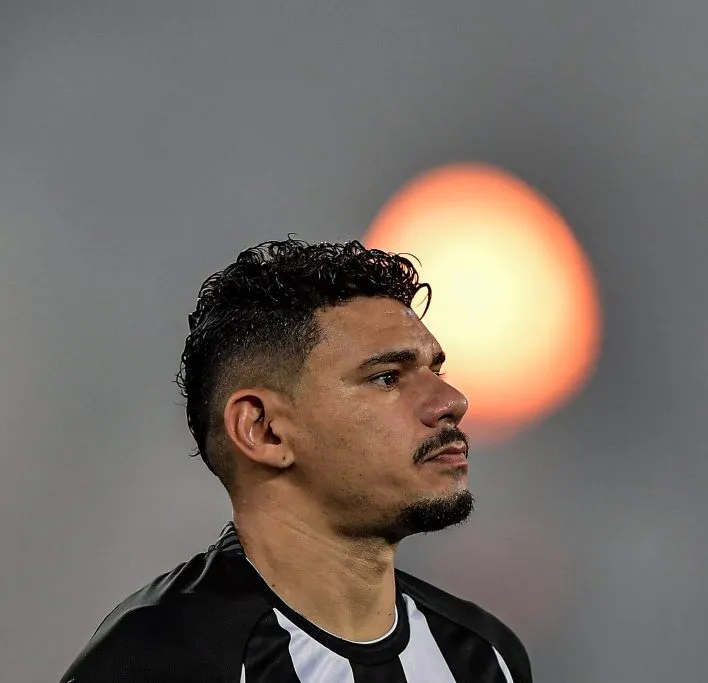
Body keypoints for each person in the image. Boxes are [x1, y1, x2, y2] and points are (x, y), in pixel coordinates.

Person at [60, 239, 532, 682]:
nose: (452, 401)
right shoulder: (162, 661)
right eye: (387, 377)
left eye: (436, 370)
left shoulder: (483, 657)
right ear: (263, 429)